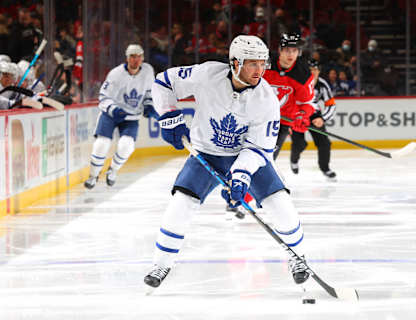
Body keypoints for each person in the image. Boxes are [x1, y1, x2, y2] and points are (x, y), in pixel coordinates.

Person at [144, 35, 310, 290]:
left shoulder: (266, 99)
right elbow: (163, 82)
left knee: (280, 204)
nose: (259, 70)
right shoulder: (207, 74)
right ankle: (161, 263)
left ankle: (299, 258)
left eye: (262, 63)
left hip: (247, 155)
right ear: (235, 63)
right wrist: (168, 115)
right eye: (252, 64)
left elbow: (260, 148)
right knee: (181, 204)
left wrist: (242, 173)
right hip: (205, 154)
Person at [84, 44, 156, 189]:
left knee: (127, 146)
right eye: (132, 57)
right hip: (111, 115)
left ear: (142, 58)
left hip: (131, 117)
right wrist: (114, 110)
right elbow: (103, 96)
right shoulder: (116, 74)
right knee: (101, 144)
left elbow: (149, 92)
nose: (136, 60)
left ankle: (113, 171)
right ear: (127, 58)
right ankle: (93, 175)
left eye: (139, 57)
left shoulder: (148, 71)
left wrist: (149, 105)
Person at [262, 33, 315, 174]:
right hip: (258, 117)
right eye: (287, 50)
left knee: (268, 158)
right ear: (280, 50)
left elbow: (307, 103)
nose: (290, 54)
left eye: (294, 51)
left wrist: (302, 115)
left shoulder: (303, 75)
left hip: (282, 123)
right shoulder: (264, 65)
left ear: (299, 52)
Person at [307, 59, 337, 179]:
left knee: (324, 143)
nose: (313, 72)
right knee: (297, 143)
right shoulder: (298, 80)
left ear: (319, 71)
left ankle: (325, 168)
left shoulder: (322, 84)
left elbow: (331, 105)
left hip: (313, 115)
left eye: (315, 70)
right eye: (310, 70)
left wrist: (322, 119)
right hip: (296, 114)